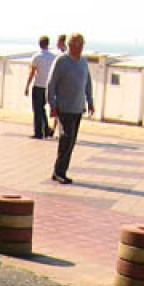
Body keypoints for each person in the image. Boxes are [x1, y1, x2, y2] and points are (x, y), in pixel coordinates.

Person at [45, 32, 94, 184]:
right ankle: (59, 171)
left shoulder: (84, 62)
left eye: (81, 44)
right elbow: (51, 83)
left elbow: (87, 82)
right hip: (64, 107)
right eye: (75, 44)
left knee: (71, 141)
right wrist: (52, 105)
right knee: (66, 139)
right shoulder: (61, 61)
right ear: (70, 45)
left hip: (78, 107)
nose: (78, 47)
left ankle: (61, 170)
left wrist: (90, 101)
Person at [24, 35, 55, 139]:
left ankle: (38, 132)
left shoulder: (37, 57)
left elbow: (32, 72)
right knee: (42, 109)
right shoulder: (53, 57)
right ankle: (46, 129)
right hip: (49, 86)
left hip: (38, 86)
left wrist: (27, 85)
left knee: (38, 109)